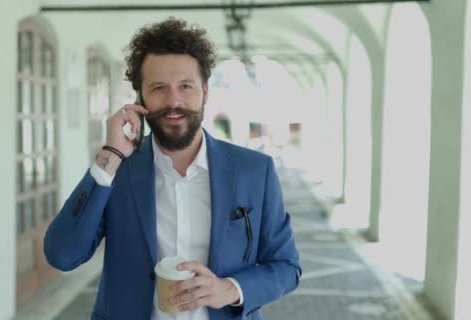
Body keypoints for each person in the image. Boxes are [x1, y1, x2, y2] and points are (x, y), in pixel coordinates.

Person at [44, 17, 301, 320]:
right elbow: (62, 255)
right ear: (140, 97)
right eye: (159, 88)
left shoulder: (255, 171)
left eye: (185, 86)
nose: (174, 101)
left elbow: (286, 267)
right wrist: (110, 157)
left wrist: (229, 289)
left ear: (205, 91)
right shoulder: (118, 171)